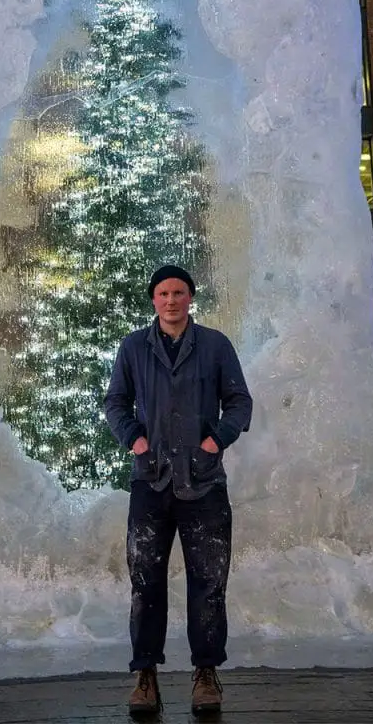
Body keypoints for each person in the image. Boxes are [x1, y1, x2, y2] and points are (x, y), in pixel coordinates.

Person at [104, 265, 252, 716]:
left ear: (190, 298)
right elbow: (115, 402)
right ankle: (145, 674)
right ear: (153, 299)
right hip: (150, 481)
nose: (171, 300)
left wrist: (216, 440)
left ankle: (206, 673)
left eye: (179, 292)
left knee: (209, 581)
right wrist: (134, 438)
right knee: (145, 581)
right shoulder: (133, 347)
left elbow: (240, 401)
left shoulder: (214, 346)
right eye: (164, 293)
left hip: (204, 483)